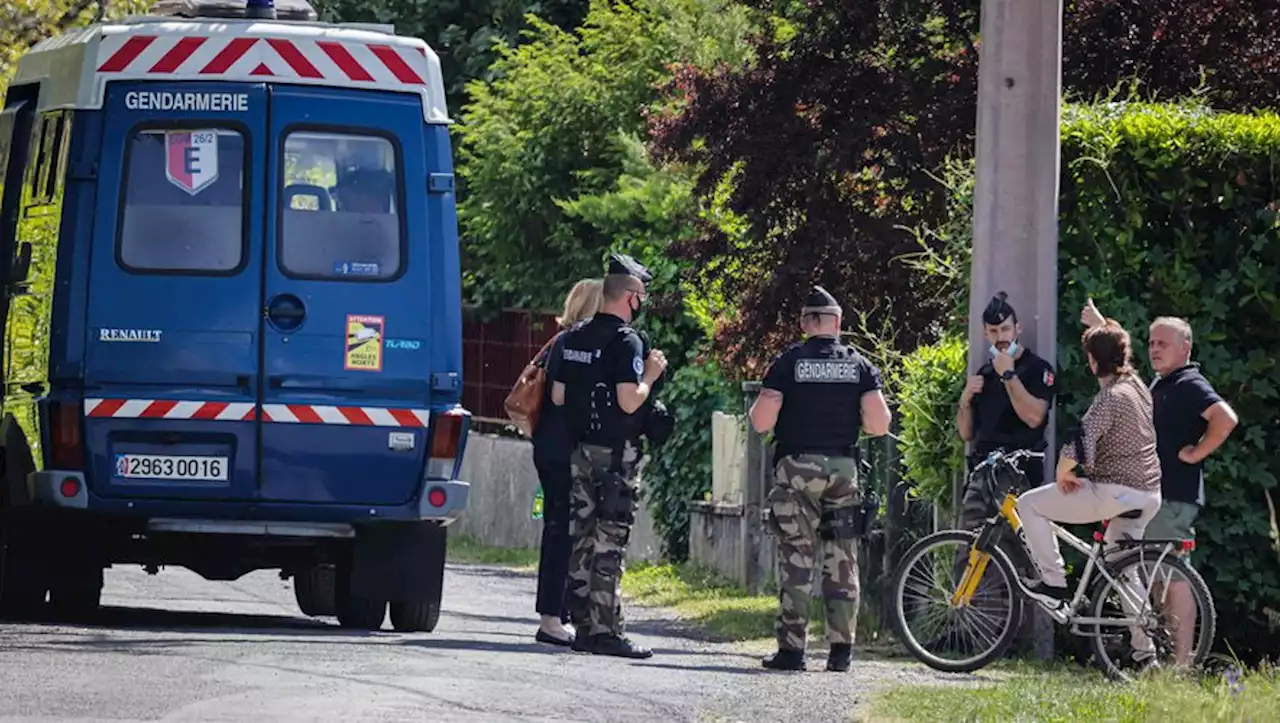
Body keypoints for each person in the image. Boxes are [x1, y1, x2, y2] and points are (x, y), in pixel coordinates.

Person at [1081, 300, 1238, 666]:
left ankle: (1181, 666)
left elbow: (1225, 418)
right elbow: (1125, 373)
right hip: (1154, 495)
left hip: (1173, 495)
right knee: (1152, 576)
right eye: (1151, 343)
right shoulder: (1162, 383)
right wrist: (1103, 326)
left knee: (1171, 575)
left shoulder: (1189, 383)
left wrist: (1196, 454)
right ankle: (1163, 659)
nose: (1154, 349)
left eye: (1162, 344)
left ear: (1186, 348)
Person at [748, 285, 893, 673]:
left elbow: (761, 422)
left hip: (797, 470)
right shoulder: (859, 365)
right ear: (838, 323)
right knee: (842, 560)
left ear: (803, 323)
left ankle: (792, 651)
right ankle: (841, 652)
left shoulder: (787, 363)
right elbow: (879, 425)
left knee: (797, 558)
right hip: (843, 469)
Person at [1016, 319, 1162, 661]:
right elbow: (1115, 346)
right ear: (1123, 355)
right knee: (1121, 568)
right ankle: (1146, 653)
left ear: (1093, 362)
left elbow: (1079, 443)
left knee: (1030, 505)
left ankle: (1053, 585)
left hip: (1115, 492)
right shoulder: (1138, 387)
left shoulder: (1109, 398)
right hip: (1149, 494)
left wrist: (1063, 472)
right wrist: (1101, 324)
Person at [548, 253, 668, 659]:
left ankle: (582, 626)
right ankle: (607, 631)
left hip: (580, 452)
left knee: (581, 538)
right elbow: (629, 401)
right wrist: (649, 376)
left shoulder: (572, 337)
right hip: (616, 457)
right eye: (642, 296)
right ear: (631, 297)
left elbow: (558, 396)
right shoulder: (627, 342)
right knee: (610, 542)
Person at [531, 279, 603, 646]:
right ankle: (551, 618)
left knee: (561, 528)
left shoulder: (561, 341)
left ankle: (560, 612)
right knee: (563, 530)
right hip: (563, 448)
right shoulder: (575, 343)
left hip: (548, 445)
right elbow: (560, 396)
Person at [956, 292, 1057, 534]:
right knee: (969, 549)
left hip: (1017, 473)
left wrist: (1009, 376)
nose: (1000, 337)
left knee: (1012, 551)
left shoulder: (1037, 369)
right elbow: (966, 433)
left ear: (1017, 329)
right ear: (985, 333)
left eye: (1005, 329)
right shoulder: (984, 372)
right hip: (983, 473)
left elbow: (1034, 418)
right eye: (993, 331)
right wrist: (965, 401)